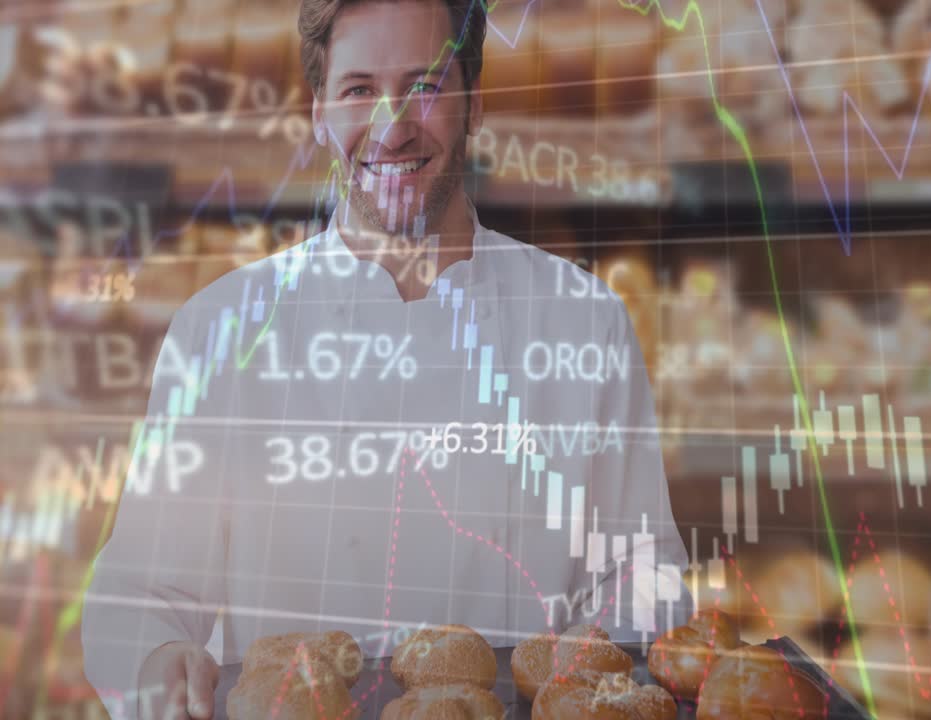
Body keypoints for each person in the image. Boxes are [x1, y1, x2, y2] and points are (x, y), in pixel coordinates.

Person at [80, 1, 690, 717]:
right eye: (359, 89)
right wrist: (156, 658)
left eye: (425, 86)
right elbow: (142, 591)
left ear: (475, 105)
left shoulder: (585, 321)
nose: (392, 127)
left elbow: (641, 573)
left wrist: (612, 665)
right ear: (318, 113)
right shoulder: (220, 329)